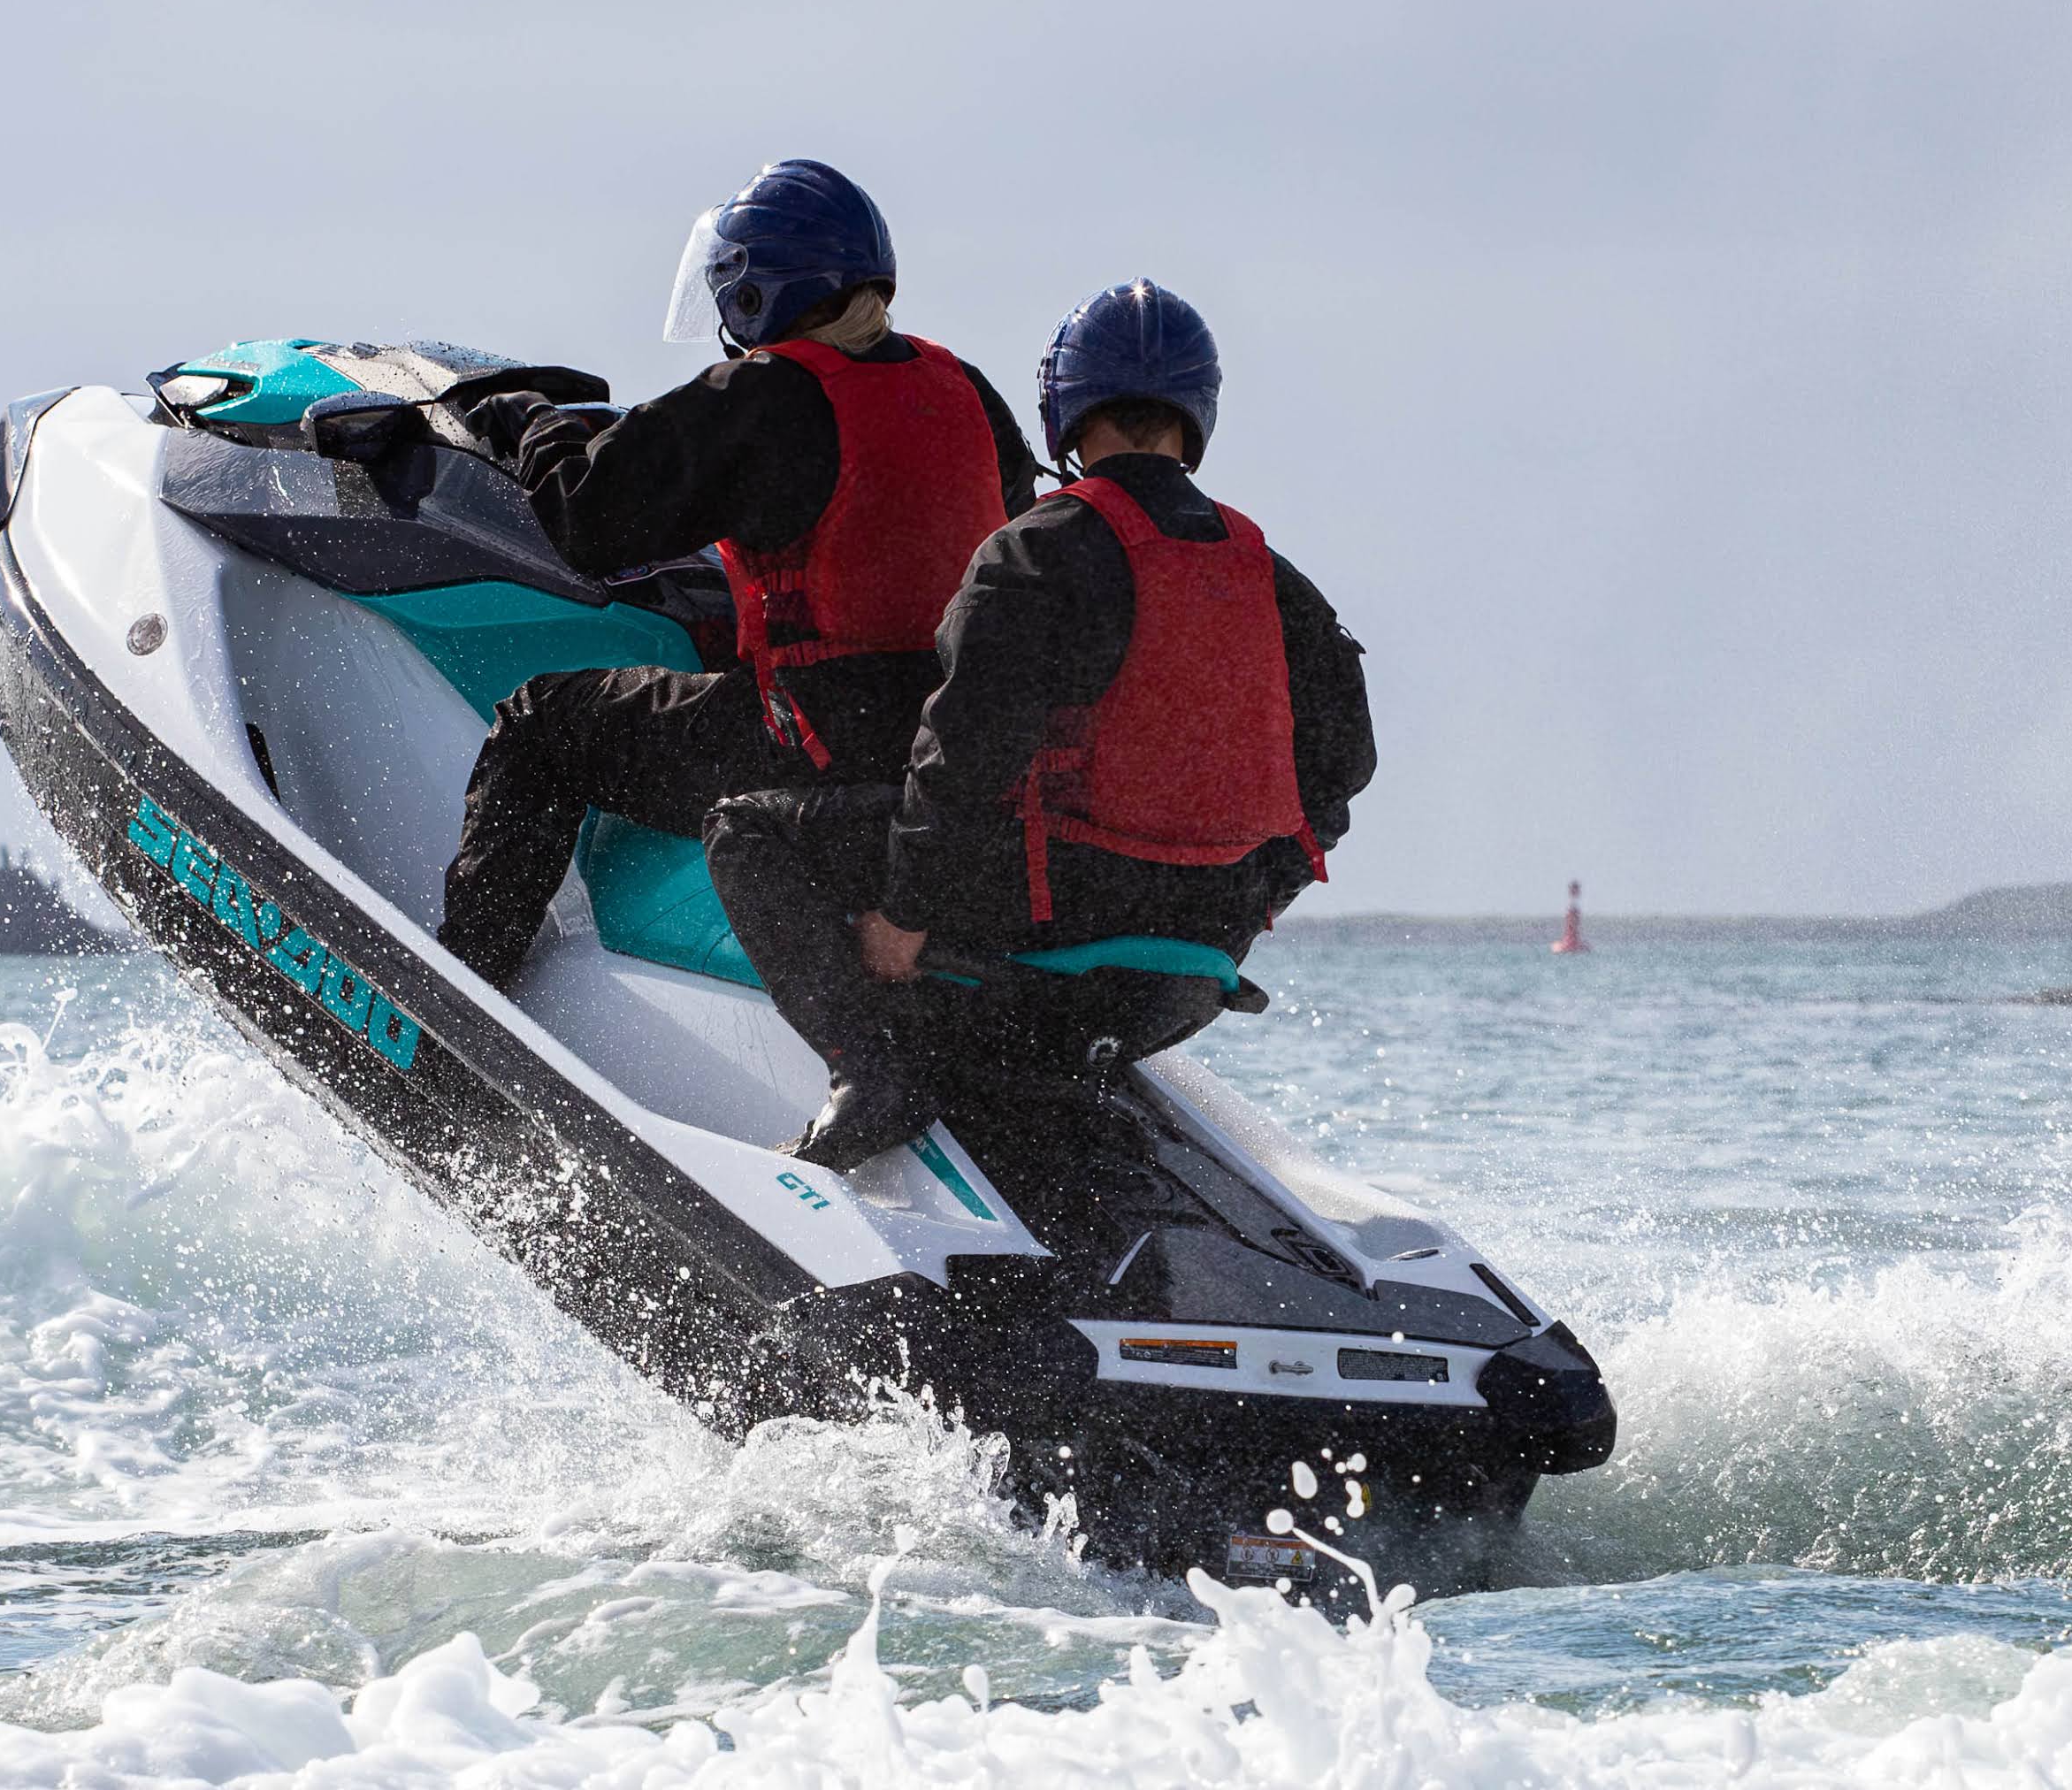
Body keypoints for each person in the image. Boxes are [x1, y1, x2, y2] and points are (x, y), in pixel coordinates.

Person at [704, 280, 1375, 1165]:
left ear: (1064, 407)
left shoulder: (1034, 549)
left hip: (1034, 944)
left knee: (746, 827)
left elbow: (962, 757)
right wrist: (1256, 897)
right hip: (1193, 973)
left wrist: (906, 914)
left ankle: (868, 1070)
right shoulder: (1274, 578)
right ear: (1197, 410)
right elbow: (1342, 767)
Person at [430, 159, 1037, 987]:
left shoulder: (765, 393)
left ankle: (461, 993)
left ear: (755, 292)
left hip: (811, 748)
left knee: (542, 724)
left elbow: (587, 521)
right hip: (943, 754)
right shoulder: (965, 389)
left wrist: (530, 418)